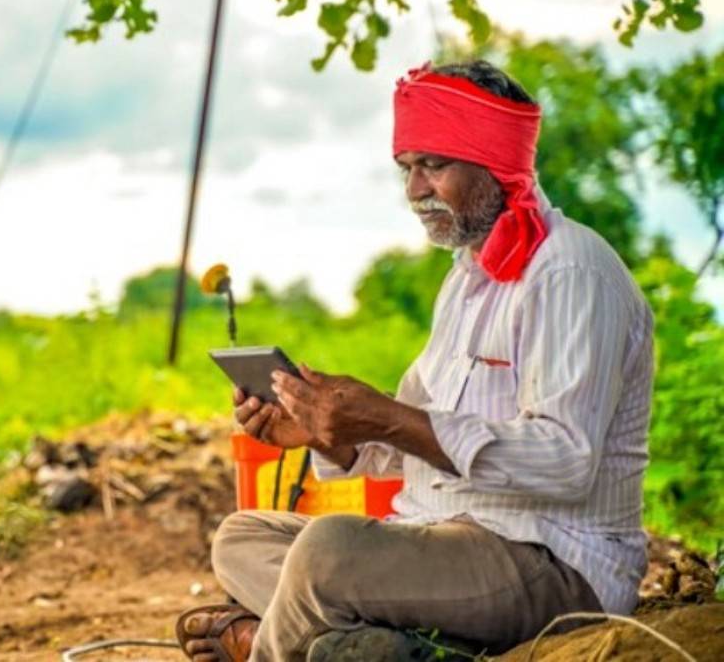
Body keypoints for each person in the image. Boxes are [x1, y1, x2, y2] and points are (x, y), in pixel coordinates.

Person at [175, 60, 654, 662]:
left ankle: (281, 646)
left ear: (496, 161)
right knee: (242, 538)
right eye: (407, 169)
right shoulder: (466, 280)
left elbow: (565, 461)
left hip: (550, 563)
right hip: (447, 538)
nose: (414, 191)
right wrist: (334, 437)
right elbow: (417, 438)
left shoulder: (571, 271)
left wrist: (388, 419)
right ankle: (377, 647)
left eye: (434, 165)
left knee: (328, 551)